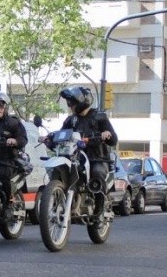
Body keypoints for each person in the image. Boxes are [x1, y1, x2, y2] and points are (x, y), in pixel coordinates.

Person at [43, 86, 118, 216]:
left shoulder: (99, 117)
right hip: (75, 158)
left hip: (97, 158)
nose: (69, 105)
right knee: (59, 170)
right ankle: (59, 200)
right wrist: (49, 139)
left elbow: (114, 139)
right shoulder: (71, 120)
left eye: (71, 103)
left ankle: (99, 210)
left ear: (82, 101)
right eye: (68, 103)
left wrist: (107, 134)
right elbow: (61, 135)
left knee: (97, 173)